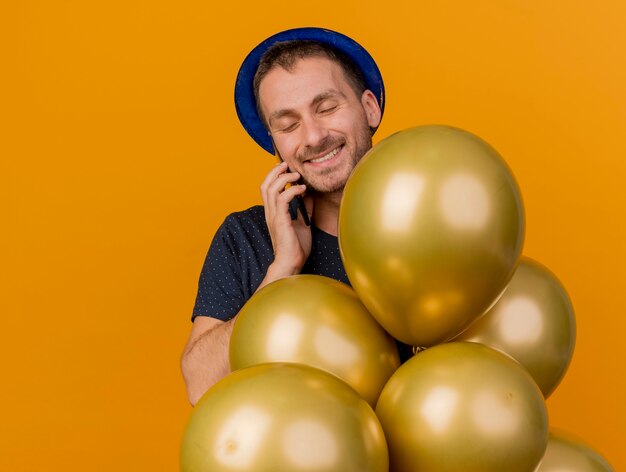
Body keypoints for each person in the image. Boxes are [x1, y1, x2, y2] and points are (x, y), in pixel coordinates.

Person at [181, 27, 409, 406]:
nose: (314, 136)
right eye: (288, 125)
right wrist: (282, 271)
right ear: (276, 144)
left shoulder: (429, 218)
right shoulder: (246, 236)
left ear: (370, 107)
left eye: (327, 108)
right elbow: (200, 386)